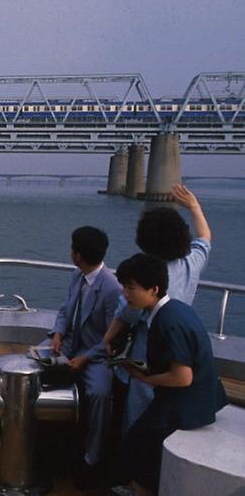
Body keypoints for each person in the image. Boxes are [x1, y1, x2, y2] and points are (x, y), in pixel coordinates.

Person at [114, 253, 226, 496]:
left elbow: (183, 377)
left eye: (131, 288)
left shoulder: (169, 321)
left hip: (189, 404)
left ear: (153, 289)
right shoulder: (172, 310)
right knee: (136, 444)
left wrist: (144, 378)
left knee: (136, 446)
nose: (125, 294)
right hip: (191, 396)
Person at [103, 184, 212, 433]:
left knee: (137, 419)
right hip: (177, 353)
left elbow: (126, 313)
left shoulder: (144, 278)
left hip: (146, 356)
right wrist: (194, 207)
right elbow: (205, 239)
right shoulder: (189, 265)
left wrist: (108, 338)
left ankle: (129, 463)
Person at [49, 226, 122, 482]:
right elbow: (65, 310)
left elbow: (112, 337)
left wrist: (85, 358)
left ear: (77, 255)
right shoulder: (77, 277)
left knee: (99, 394)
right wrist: (57, 334)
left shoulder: (112, 288)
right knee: (32, 365)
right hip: (70, 342)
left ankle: (92, 458)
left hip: (95, 353)